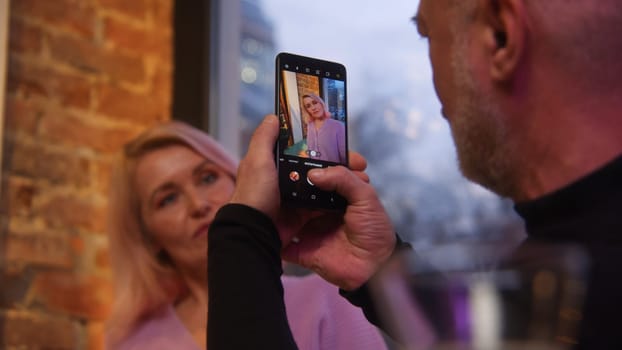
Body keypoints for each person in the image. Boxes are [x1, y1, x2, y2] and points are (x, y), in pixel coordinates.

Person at [207, 0, 622, 349]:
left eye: (428, 35)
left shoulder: (582, 286)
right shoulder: (580, 266)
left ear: (500, 36)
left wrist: (243, 235)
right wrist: (381, 269)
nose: (433, 78)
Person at [104, 121, 388, 349]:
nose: (198, 204)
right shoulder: (134, 341)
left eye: (207, 178)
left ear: (240, 179)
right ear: (148, 236)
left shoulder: (325, 299)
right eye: (167, 199)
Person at [302, 93, 347, 164]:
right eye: (308, 106)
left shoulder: (338, 126)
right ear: (307, 110)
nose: (313, 108)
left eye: (315, 102)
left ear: (321, 103)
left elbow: (344, 157)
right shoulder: (309, 126)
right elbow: (310, 149)